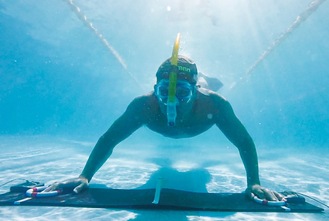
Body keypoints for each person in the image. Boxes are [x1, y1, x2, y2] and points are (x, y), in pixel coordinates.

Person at [46, 55, 284, 201]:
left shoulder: (214, 104)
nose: (171, 101)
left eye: (182, 92)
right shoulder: (143, 106)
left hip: (203, 89)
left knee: (203, 173)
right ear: (154, 88)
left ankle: (206, 79)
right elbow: (109, 139)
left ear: (196, 92)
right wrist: (84, 176)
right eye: (163, 92)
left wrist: (254, 182)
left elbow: (243, 141)